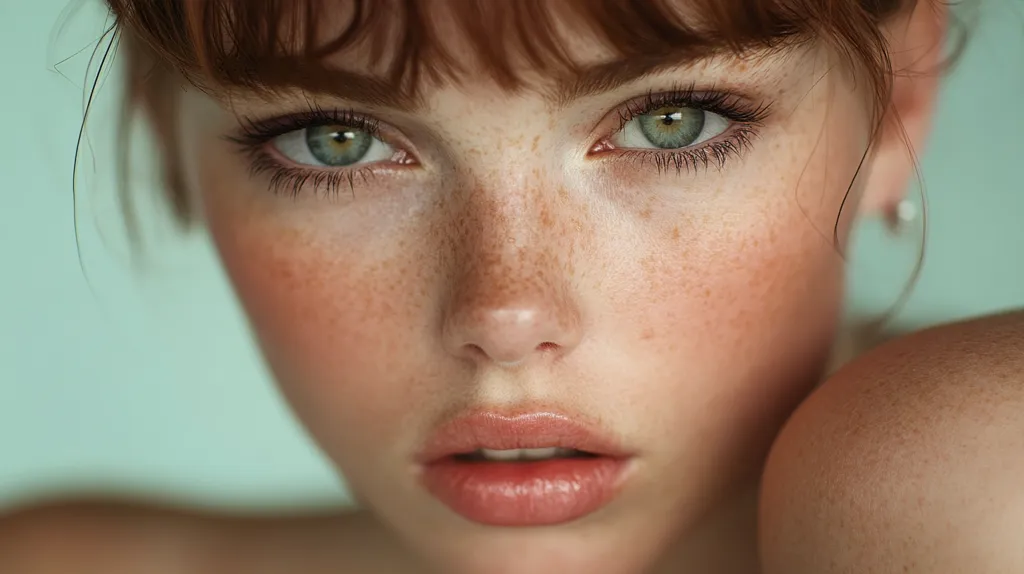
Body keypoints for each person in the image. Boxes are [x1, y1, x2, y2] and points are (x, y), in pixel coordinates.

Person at [3, 1, 1022, 572]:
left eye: (672, 121)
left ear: (899, 98)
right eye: (336, 139)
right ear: (163, 134)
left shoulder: (980, 480)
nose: (505, 314)